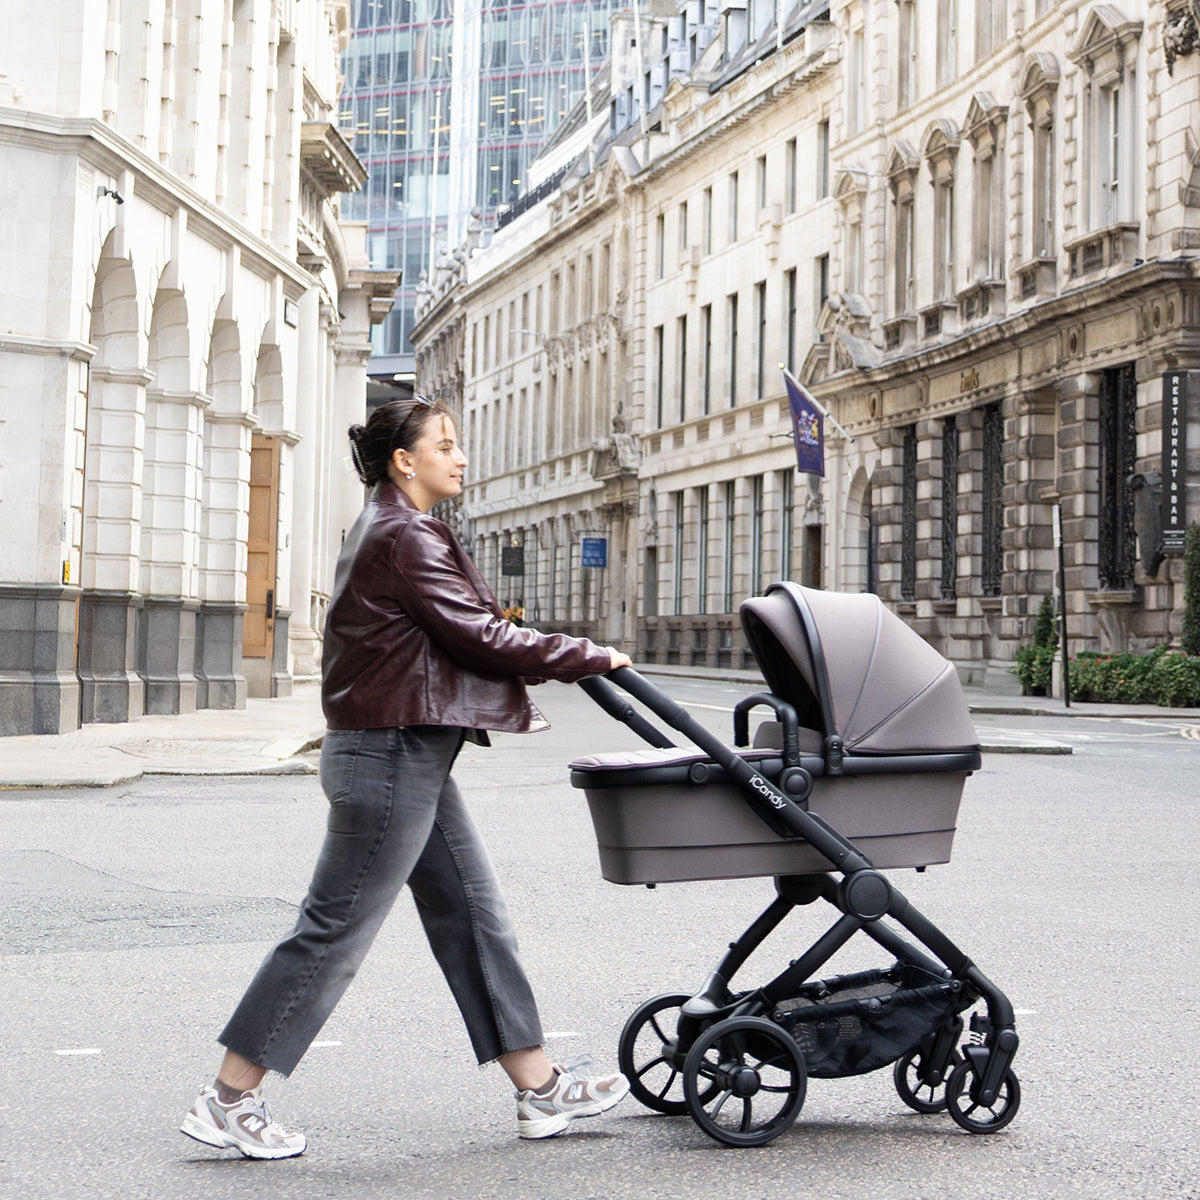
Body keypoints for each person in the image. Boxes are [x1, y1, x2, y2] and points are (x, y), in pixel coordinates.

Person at [181, 397, 633, 1160]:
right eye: (446, 446)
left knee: (474, 917)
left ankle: (539, 1083)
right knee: (333, 932)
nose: (460, 458)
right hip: (388, 756)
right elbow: (479, 634)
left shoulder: (397, 528)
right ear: (404, 460)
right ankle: (228, 1099)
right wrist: (586, 653)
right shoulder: (403, 534)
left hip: (411, 752)